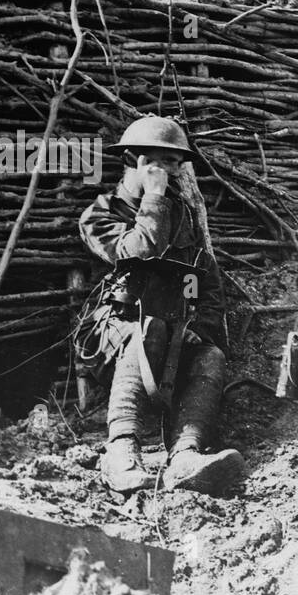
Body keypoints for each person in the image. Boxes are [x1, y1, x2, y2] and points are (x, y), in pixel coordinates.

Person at [78, 115, 244, 496]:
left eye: (174, 163)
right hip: (114, 329)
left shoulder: (181, 215)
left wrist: (196, 323)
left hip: (173, 327)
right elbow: (139, 253)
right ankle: (120, 452)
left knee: (211, 356)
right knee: (146, 332)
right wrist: (152, 198)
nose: (170, 172)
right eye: (160, 162)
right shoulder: (102, 214)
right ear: (135, 161)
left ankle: (185, 455)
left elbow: (198, 275)